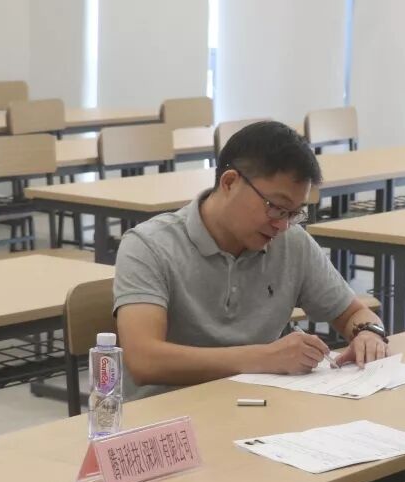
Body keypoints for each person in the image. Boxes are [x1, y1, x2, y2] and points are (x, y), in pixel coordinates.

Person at [114, 120, 388, 399]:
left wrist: (368, 333)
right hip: (167, 413)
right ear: (230, 182)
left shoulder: (291, 242)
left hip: (257, 405)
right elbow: (144, 360)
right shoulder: (149, 246)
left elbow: (354, 314)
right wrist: (266, 357)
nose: (282, 225)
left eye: (294, 213)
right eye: (276, 207)